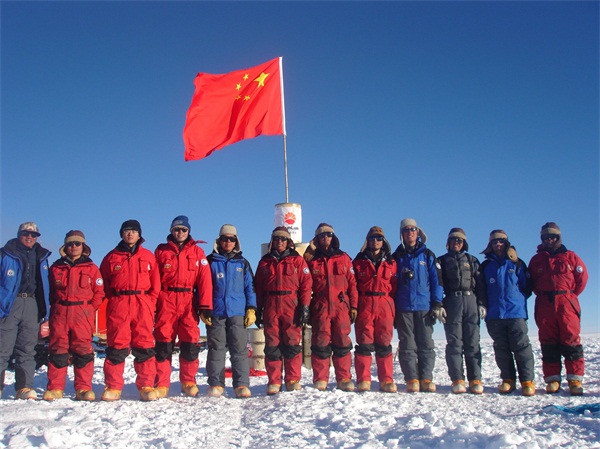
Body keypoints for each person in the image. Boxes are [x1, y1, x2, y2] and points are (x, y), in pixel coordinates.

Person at [99, 220, 161, 401]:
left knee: (144, 346)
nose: (130, 234)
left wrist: (149, 301)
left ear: (139, 234)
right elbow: (105, 284)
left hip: (142, 304)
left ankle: (146, 385)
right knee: (117, 346)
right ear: (121, 234)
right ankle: (113, 386)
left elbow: (155, 284)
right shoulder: (111, 257)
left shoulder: (148, 256)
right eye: (126, 231)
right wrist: (117, 299)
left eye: (134, 231)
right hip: (120, 303)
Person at [154, 216, 212, 398]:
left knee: (189, 343)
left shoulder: (197, 252)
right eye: (177, 229)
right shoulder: (161, 251)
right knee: (163, 343)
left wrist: (205, 305)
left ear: (189, 232)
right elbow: (154, 279)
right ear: (171, 231)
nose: (180, 233)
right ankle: (161, 383)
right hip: (166, 299)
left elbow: (204, 281)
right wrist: (153, 304)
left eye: (183, 230)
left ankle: (188, 381)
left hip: (188, 300)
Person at [43, 230, 105, 401]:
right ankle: (55, 387)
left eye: (77, 243)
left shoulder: (92, 268)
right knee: (58, 350)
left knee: (83, 350)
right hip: (60, 314)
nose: (74, 247)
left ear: (83, 246)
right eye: (70, 243)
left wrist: (89, 310)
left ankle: (83, 388)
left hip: (82, 314)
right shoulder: (56, 267)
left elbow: (99, 293)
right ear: (65, 246)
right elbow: (50, 292)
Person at [529, 222, 588, 396]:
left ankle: (575, 379)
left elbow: (582, 279)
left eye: (552, 236)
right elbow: (531, 282)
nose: (549, 239)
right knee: (548, 341)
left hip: (566, 303)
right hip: (545, 303)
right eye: (546, 237)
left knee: (571, 340)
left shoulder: (571, 257)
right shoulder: (537, 260)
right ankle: (553, 379)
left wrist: (568, 296)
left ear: (558, 237)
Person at [255, 226, 312, 395]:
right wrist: (258, 309)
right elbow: (258, 287)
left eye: (283, 239)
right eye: (277, 239)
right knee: (272, 344)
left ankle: (292, 379)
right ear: (272, 241)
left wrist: (305, 306)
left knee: (292, 343)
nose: (280, 242)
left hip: (291, 305)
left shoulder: (297, 261)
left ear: (288, 242)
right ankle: (274, 381)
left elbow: (306, 285)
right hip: (271, 305)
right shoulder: (265, 262)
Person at [478, 230, 536, 396]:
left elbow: (527, 286)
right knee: (501, 349)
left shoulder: (516, 263)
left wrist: (516, 300)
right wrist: (484, 305)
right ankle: (508, 379)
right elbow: (481, 288)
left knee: (521, 347)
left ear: (506, 243)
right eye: (495, 242)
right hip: (495, 315)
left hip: (515, 313)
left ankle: (527, 381)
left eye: (501, 241)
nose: (498, 244)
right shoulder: (486, 266)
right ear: (490, 244)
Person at [304, 223, 358, 392]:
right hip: (321, 306)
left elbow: (352, 284)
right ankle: (320, 379)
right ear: (316, 239)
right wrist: (309, 250)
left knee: (342, 342)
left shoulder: (343, 258)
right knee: (320, 342)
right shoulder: (312, 261)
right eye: (321, 236)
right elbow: (303, 279)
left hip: (341, 305)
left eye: (328, 235)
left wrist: (354, 306)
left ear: (333, 237)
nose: (325, 238)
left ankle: (344, 378)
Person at [205, 224, 257, 399]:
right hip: (217, 311)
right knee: (216, 349)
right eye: (225, 238)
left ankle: (241, 384)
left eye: (232, 239)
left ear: (236, 242)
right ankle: (216, 384)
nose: (228, 241)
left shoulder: (242, 263)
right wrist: (204, 308)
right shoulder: (210, 262)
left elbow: (250, 286)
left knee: (239, 349)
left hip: (237, 312)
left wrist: (251, 308)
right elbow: (203, 287)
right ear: (219, 241)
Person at [0, 222, 51, 400]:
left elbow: (45, 285)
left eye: (33, 235)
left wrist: (45, 312)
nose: (30, 237)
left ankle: (24, 387)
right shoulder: (5, 253)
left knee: (27, 349)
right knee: (3, 347)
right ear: (19, 234)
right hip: (9, 304)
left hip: (31, 303)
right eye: (25, 234)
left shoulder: (42, 256)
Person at [392, 218, 443, 393]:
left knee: (426, 343)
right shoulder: (396, 257)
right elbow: (391, 284)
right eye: (406, 230)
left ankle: (426, 378)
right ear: (402, 234)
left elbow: (437, 280)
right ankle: (412, 378)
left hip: (424, 306)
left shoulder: (428, 255)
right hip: (403, 306)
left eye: (413, 229)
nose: (410, 232)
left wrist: (437, 303)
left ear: (418, 232)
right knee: (407, 344)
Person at [437, 228, 484, 394]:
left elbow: (480, 284)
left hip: (470, 300)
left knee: (472, 341)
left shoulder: (472, 260)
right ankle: (457, 379)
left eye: (459, 240)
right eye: (453, 240)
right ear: (448, 242)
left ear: (464, 243)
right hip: (452, 301)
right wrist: (439, 305)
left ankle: (475, 378)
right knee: (454, 342)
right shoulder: (441, 261)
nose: (456, 243)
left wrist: (481, 303)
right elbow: (438, 284)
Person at [352, 226, 398, 393]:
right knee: (364, 343)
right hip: (365, 303)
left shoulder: (392, 263)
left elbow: (395, 287)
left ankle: (386, 379)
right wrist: (354, 306)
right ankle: (363, 379)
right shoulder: (358, 262)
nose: (375, 241)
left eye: (379, 238)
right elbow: (353, 286)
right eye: (372, 238)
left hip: (385, 304)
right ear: (367, 241)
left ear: (383, 241)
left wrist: (393, 308)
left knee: (384, 343)